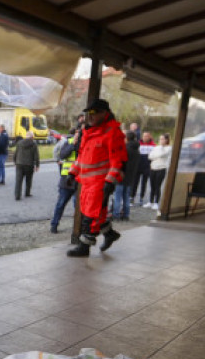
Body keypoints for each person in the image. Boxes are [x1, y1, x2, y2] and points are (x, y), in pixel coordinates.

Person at [66, 99, 126, 257]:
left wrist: (110, 181)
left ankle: (84, 247)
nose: (90, 116)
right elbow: (82, 158)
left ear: (104, 113)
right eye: (88, 113)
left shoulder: (112, 132)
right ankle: (110, 234)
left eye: (94, 113)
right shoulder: (88, 132)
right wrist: (72, 173)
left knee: (90, 215)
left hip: (100, 183)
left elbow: (117, 161)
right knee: (93, 212)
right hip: (86, 182)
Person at [49, 124, 81, 233]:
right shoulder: (69, 141)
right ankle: (54, 224)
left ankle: (78, 226)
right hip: (67, 179)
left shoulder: (86, 144)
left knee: (79, 205)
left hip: (80, 180)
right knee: (61, 203)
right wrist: (73, 144)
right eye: (78, 133)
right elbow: (62, 155)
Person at [114, 131, 140, 221]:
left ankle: (116, 215)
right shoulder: (137, 151)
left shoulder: (124, 149)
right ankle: (126, 214)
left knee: (117, 197)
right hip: (130, 177)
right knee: (126, 197)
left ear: (126, 139)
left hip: (121, 176)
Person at [147, 133, 171, 210]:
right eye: (160, 139)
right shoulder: (156, 147)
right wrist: (156, 155)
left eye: (162, 139)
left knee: (158, 186)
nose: (161, 140)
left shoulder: (169, 148)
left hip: (161, 168)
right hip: (153, 167)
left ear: (166, 140)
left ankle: (156, 202)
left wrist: (156, 155)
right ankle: (150, 201)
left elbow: (162, 154)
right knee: (152, 185)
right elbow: (150, 156)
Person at [13, 131, 39, 200]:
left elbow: (16, 153)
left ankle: (17, 195)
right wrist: (37, 165)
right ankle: (27, 193)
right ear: (32, 137)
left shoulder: (19, 143)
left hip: (19, 163)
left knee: (18, 180)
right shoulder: (33, 144)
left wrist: (15, 162)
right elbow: (36, 156)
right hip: (29, 164)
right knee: (28, 180)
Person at [134, 131, 154, 206]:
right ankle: (132, 197)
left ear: (150, 137)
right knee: (135, 182)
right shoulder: (138, 143)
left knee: (144, 183)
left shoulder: (153, 145)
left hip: (147, 167)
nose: (145, 137)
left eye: (147, 136)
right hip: (138, 166)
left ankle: (141, 198)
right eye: (144, 136)